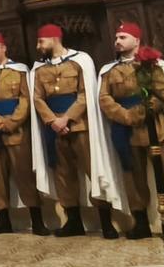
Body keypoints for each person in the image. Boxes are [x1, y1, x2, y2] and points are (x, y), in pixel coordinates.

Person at [96, 22, 164, 241]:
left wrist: (137, 115)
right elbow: (104, 97)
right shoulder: (109, 70)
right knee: (132, 176)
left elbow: (160, 92)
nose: (117, 41)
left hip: (154, 127)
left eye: (123, 37)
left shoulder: (153, 64)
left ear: (136, 40)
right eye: (116, 37)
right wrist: (125, 116)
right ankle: (140, 222)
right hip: (125, 131)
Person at [29, 24, 123, 239]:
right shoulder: (39, 70)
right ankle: (73, 221)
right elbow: (38, 98)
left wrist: (66, 118)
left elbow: (85, 94)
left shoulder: (81, 60)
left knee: (93, 168)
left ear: (54, 38)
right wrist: (53, 121)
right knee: (63, 175)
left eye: (41, 41)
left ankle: (106, 221)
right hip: (54, 129)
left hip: (80, 125)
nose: (38, 46)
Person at [0, 31, 49, 236]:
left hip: (17, 131)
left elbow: (26, 98)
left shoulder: (20, 71)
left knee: (24, 174)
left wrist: (11, 122)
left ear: (4, 48)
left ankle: (37, 219)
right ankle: (3, 219)